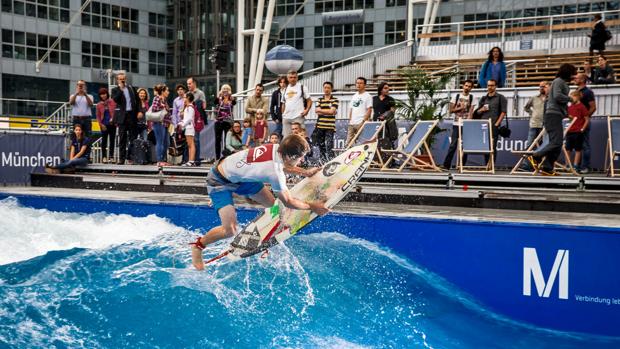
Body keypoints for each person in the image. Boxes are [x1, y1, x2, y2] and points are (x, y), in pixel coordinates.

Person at [190, 134, 328, 270]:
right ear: (290, 156)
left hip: (242, 178)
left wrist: (306, 173)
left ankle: (263, 227)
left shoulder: (277, 149)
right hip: (219, 181)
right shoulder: (274, 172)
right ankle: (198, 246)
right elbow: (288, 201)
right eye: (300, 157)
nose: (302, 159)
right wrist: (312, 206)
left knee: (275, 208)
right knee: (230, 230)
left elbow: (283, 165)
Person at [529, 63, 577, 176]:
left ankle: (547, 168)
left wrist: (566, 114)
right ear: (568, 73)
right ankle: (535, 156)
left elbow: (558, 102)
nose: (574, 76)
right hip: (552, 116)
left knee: (557, 143)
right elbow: (557, 96)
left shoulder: (562, 83)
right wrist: (571, 98)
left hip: (556, 115)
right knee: (557, 142)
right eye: (573, 73)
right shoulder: (558, 81)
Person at [470, 79, 506, 165]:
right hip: (483, 126)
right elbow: (477, 113)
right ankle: (487, 165)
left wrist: (497, 123)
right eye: (488, 85)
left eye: (492, 85)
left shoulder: (501, 97)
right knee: (485, 146)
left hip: (494, 126)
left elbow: (503, 112)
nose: (490, 87)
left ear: (496, 86)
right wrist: (481, 110)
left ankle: (491, 165)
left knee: (492, 146)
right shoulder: (483, 98)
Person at [442, 80, 476, 169]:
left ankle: (462, 166)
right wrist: (461, 107)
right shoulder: (456, 96)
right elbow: (451, 110)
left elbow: (471, 113)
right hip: (456, 124)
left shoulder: (473, 98)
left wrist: (468, 121)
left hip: (466, 125)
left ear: (471, 88)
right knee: (453, 145)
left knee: (465, 146)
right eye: (466, 85)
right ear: (463, 86)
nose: (467, 87)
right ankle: (446, 165)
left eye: (469, 86)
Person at [111, 73, 139, 165]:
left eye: (123, 79)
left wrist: (139, 112)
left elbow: (137, 100)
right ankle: (121, 159)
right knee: (122, 138)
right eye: (120, 79)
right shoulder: (115, 89)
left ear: (126, 79)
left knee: (133, 138)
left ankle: (132, 157)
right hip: (122, 116)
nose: (122, 80)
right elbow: (115, 99)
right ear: (117, 80)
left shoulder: (131, 88)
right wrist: (121, 89)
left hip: (131, 115)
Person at [575, 73, 597, 173]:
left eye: (577, 78)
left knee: (585, 145)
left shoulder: (588, 92)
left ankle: (585, 167)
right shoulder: (576, 91)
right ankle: (577, 167)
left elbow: (593, 107)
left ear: (583, 80)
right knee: (578, 146)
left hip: (584, 122)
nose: (575, 79)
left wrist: (586, 117)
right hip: (576, 122)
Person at [313, 81, 339, 163]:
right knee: (321, 146)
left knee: (329, 145)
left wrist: (322, 111)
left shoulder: (335, 100)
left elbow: (332, 111)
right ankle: (323, 162)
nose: (326, 89)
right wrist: (329, 111)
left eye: (328, 88)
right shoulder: (319, 99)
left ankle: (332, 161)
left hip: (330, 127)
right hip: (320, 126)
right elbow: (316, 110)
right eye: (325, 87)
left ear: (331, 89)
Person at [565, 90, 590, 173]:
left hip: (578, 132)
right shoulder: (570, 106)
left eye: (572, 97)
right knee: (568, 149)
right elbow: (570, 117)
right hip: (569, 131)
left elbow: (587, 119)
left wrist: (582, 129)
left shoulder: (582, 107)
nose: (571, 99)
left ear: (577, 97)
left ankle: (575, 166)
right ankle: (568, 165)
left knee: (578, 150)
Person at [281, 70, 311, 137]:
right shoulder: (285, 89)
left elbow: (309, 100)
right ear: (287, 78)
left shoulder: (302, 87)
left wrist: (307, 110)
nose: (293, 79)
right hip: (286, 117)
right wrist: (283, 114)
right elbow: (283, 103)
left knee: (301, 137)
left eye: (294, 77)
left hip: (298, 116)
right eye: (291, 77)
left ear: (297, 78)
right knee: (286, 138)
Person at [347, 77, 373, 146]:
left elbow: (369, 109)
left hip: (361, 123)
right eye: (357, 83)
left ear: (364, 85)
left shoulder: (368, 96)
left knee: (361, 143)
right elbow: (351, 109)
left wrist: (363, 121)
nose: (358, 85)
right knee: (349, 143)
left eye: (361, 83)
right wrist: (350, 120)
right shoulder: (354, 96)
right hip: (352, 123)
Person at [214, 84, 236, 159]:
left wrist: (230, 97)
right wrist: (219, 95)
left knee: (227, 140)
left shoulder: (231, 98)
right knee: (218, 139)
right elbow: (215, 102)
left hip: (228, 121)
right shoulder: (219, 98)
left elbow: (234, 103)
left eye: (227, 89)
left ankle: (226, 157)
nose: (225, 91)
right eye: (224, 89)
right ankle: (217, 157)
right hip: (218, 121)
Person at [151, 84, 171, 167]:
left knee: (166, 142)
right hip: (159, 123)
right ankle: (159, 160)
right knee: (160, 142)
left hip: (165, 123)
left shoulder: (164, 100)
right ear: (162, 91)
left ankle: (162, 159)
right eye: (167, 90)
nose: (168, 92)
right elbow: (154, 108)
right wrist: (162, 107)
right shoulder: (157, 98)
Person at [187, 77, 206, 165]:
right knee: (189, 142)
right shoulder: (187, 94)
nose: (188, 85)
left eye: (190, 83)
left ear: (194, 83)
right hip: (189, 122)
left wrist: (195, 105)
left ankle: (197, 160)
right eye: (187, 84)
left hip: (196, 121)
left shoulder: (200, 93)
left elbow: (204, 106)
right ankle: (190, 160)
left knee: (196, 140)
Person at [524, 81, 548, 147]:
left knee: (543, 145)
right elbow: (526, 107)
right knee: (529, 144)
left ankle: (541, 157)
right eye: (540, 86)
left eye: (543, 86)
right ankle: (528, 157)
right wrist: (532, 114)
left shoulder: (550, 99)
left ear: (547, 87)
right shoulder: (534, 98)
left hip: (545, 125)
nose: (541, 88)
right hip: (534, 124)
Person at [95, 88, 116, 163]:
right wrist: (101, 124)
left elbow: (115, 112)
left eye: (104, 94)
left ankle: (111, 157)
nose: (103, 95)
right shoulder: (99, 105)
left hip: (112, 124)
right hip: (103, 125)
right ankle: (104, 157)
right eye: (101, 94)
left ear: (107, 94)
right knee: (104, 141)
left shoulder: (112, 102)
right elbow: (97, 116)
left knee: (112, 141)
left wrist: (113, 119)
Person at [178, 92, 196, 166]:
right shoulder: (188, 107)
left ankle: (191, 161)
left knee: (191, 144)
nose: (184, 98)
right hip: (188, 127)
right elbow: (186, 118)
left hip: (189, 127)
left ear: (188, 98)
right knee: (189, 144)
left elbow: (189, 119)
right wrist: (182, 123)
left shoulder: (190, 107)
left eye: (185, 97)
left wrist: (182, 125)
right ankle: (190, 160)